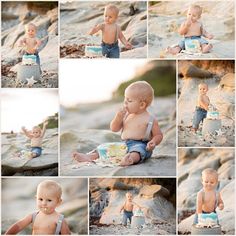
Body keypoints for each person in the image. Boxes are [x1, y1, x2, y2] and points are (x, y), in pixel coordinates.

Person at [72, 81, 163, 166]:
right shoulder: (127, 115)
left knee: (137, 152)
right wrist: (118, 117)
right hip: (124, 144)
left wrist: (153, 142)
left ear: (142, 105)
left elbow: (158, 135)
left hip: (141, 144)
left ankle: (130, 159)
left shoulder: (150, 119)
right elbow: (114, 128)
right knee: (106, 147)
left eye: (129, 101)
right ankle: (90, 156)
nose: (125, 102)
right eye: (125, 99)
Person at [5, 180, 71, 235]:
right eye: (40, 199)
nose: (44, 203)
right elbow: (19, 225)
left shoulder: (59, 219)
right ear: (36, 198)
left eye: (49, 200)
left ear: (58, 202)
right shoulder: (34, 216)